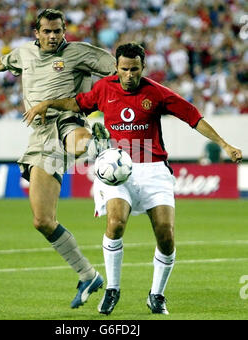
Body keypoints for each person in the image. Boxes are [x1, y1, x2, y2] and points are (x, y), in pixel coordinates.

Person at [23, 43, 243, 315]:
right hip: (118, 169)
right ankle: (113, 289)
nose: (129, 75)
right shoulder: (104, 88)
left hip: (154, 169)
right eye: (124, 69)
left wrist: (225, 144)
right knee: (115, 224)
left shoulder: (157, 92)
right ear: (116, 67)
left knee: (166, 235)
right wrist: (48, 103)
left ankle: (157, 295)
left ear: (143, 67)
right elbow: (77, 103)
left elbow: (193, 117)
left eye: (134, 69)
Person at [0, 9, 116, 308]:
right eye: (48, 31)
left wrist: (106, 98)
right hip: (38, 138)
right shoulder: (24, 53)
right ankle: (87, 274)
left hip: (67, 120)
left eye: (58, 31)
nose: (54, 36)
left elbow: (116, 69)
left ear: (64, 30)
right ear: (37, 33)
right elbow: (1, 63)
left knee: (76, 142)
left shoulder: (78, 52)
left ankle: (96, 139)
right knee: (42, 220)